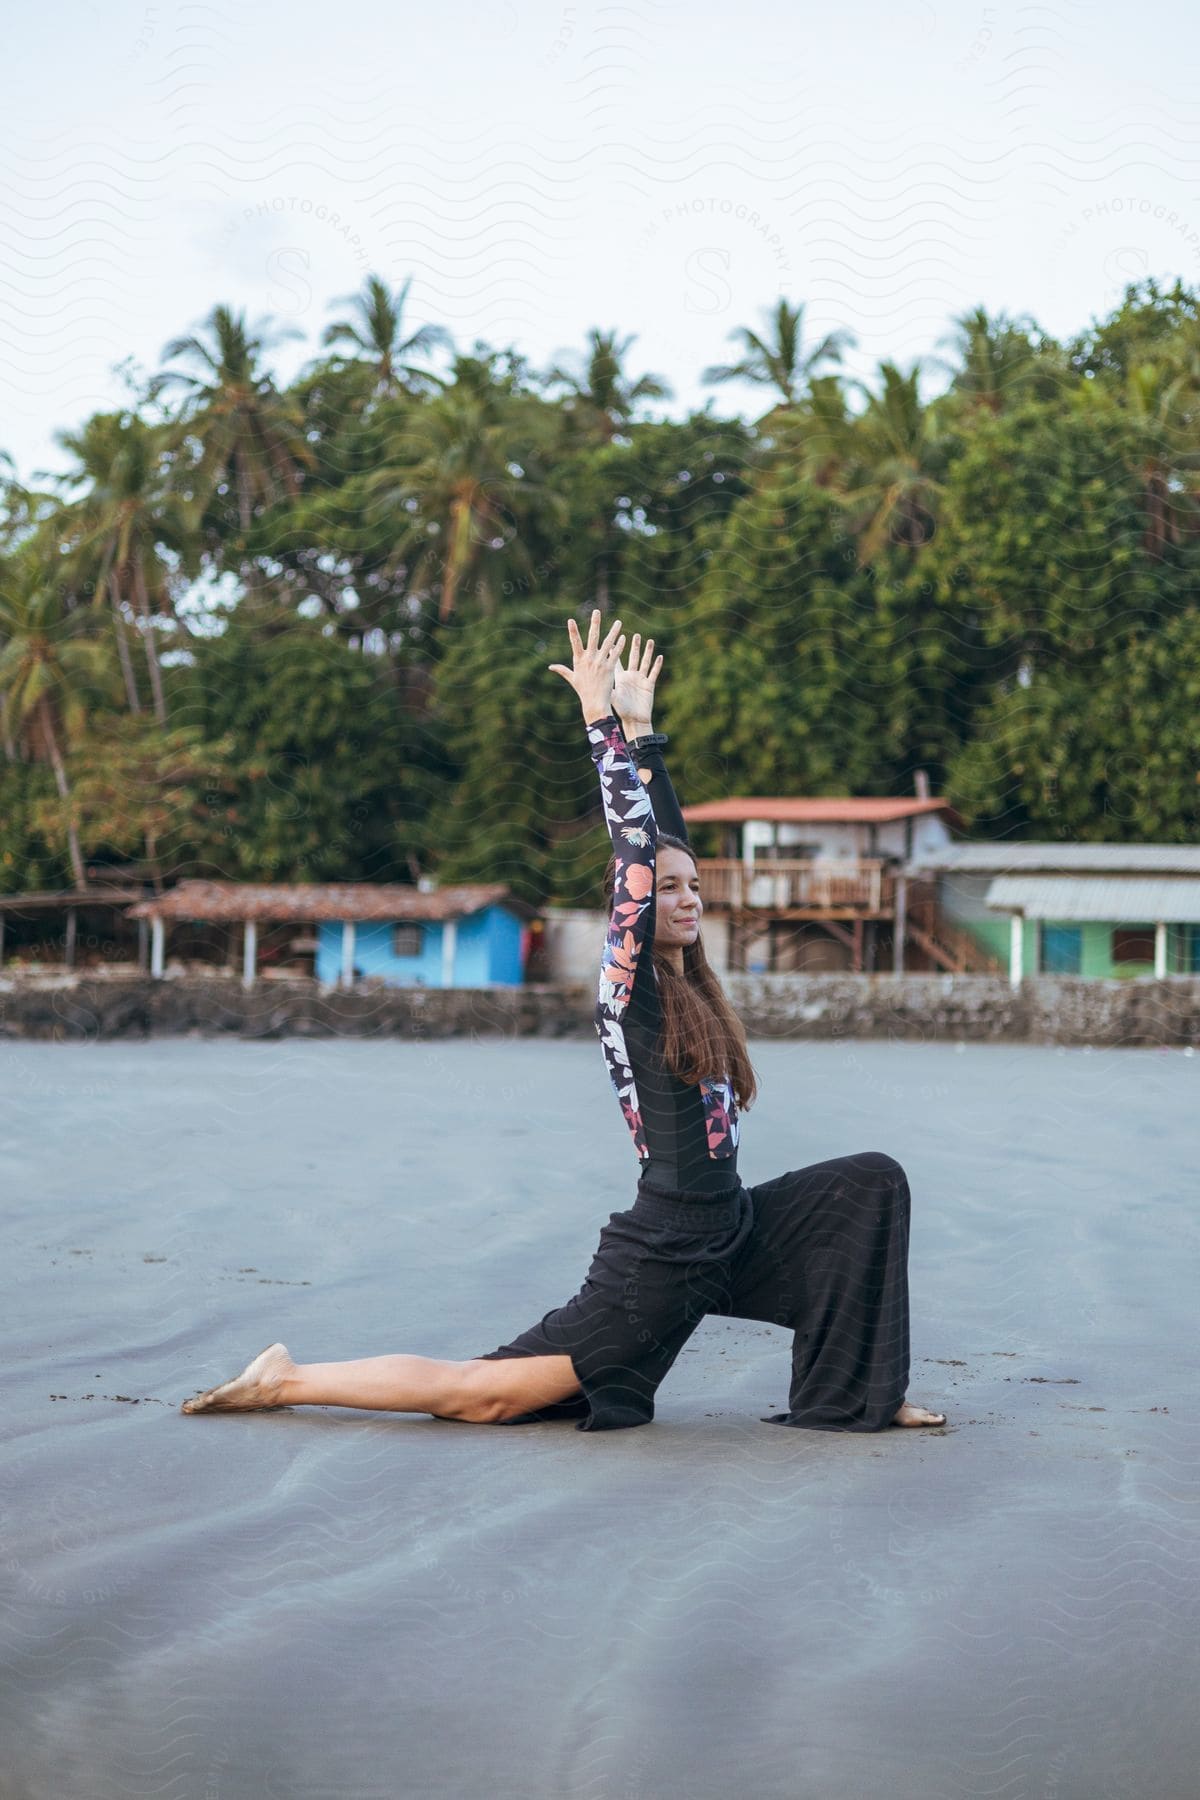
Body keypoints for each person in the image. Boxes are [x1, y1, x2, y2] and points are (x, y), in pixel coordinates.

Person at [181, 612, 946, 1431]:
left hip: (732, 1230)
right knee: (485, 1395)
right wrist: (599, 724)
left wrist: (647, 736)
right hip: (665, 1253)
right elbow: (639, 856)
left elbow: (665, 843)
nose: (685, 899)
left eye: (695, 888)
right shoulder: (629, 993)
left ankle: (857, 1392)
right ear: (634, 907)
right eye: (670, 890)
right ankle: (285, 1380)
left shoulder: (692, 988)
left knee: (867, 1183)